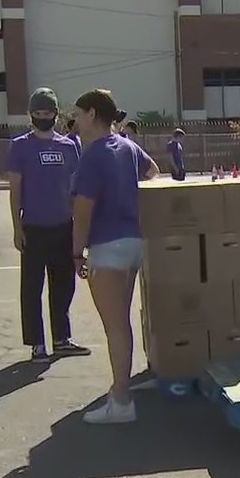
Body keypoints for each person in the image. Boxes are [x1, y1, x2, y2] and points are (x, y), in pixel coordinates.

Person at [71, 89, 159, 424]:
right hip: (134, 241)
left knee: (115, 326)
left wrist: (76, 253)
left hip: (107, 246)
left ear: (92, 114)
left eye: (79, 114)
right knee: (122, 321)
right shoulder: (126, 146)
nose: (76, 122)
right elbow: (151, 171)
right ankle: (122, 390)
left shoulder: (93, 155)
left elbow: (82, 210)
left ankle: (121, 399)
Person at [6, 88, 90, 361]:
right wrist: (17, 228)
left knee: (63, 285)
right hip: (33, 226)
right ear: (31, 115)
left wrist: (80, 226)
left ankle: (61, 338)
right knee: (32, 287)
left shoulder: (69, 146)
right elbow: (15, 189)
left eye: (48, 113)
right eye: (38, 113)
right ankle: (37, 343)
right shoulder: (20, 146)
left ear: (56, 114)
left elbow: (77, 188)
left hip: (63, 226)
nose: (43, 117)